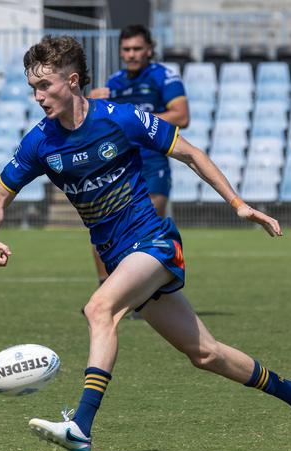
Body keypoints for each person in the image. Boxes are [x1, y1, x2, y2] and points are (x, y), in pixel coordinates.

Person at [0, 35, 291, 451]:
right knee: (206, 354)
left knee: (99, 309)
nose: (38, 97)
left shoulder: (120, 118)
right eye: (33, 89)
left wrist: (239, 205)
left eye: (45, 86)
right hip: (118, 257)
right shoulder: (40, 142)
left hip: (154, 242)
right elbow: (0, 196)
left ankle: (82, 426)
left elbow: (190, 154)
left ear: (72, 81)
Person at [87, 25, 189, 286]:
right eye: (126, 49)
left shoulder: (163, 77)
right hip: (120, 164)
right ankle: (106, 287)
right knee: (103, 226)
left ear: (149, 50)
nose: (131, 54)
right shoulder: (114, 83)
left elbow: (181, 115)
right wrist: (90, 101)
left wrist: (137, 122)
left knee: (147, 227)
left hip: (154, 163)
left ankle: (146, 289)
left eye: (137, 48)